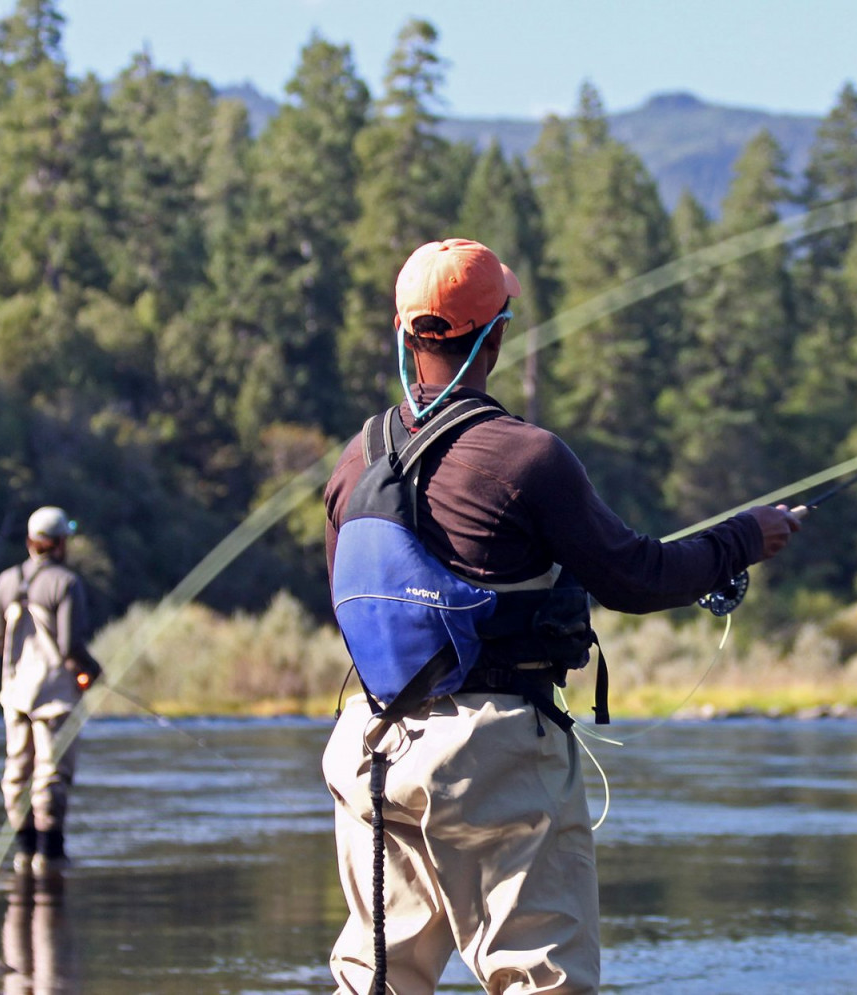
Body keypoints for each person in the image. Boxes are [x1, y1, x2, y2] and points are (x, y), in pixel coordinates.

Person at [321, 238, 802, 995]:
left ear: (406, 332)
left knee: (378, 981)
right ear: (498, 333)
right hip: (491, 752)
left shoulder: (356, 460)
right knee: (541, 980)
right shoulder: (527, 457)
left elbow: (349, 603)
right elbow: (638, 576)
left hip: (372, 746)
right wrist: (746, 537)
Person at [0, 505, 102, 878]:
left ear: (30, 542)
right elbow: (70, 645)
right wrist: (94, 670)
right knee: (51, 774)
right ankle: (51, 856)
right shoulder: (65, 583)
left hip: (15, 694)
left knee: (17, 773)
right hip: (54, 695)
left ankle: (24, 853)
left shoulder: (6, 581)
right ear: (60, 544)